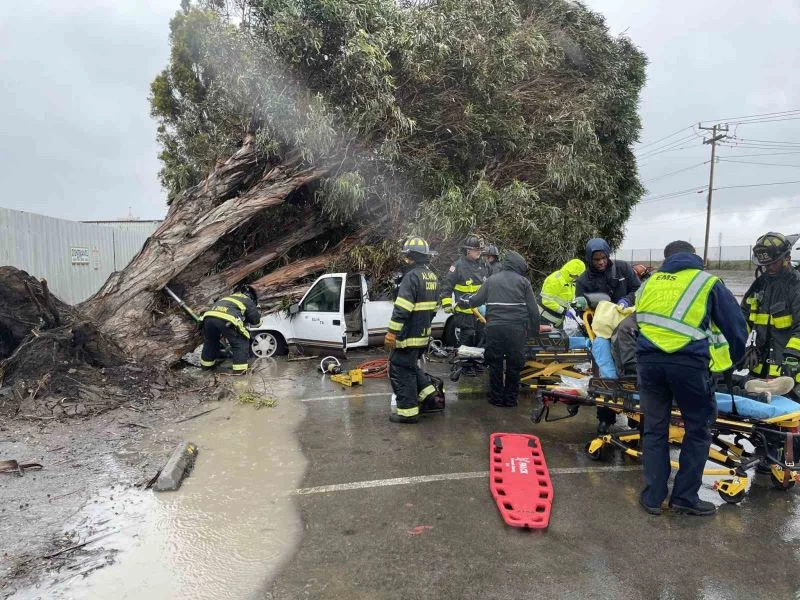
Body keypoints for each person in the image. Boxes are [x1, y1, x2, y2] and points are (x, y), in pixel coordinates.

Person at [635, 241, 747, 516]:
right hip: (688, 365)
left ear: (666, 259)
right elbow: (736, 327)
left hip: (648, 363)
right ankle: (684, 498)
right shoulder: (707, 283)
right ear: (694, 257)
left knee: (654, 430)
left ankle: (652, 498)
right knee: (697, 430)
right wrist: (733, 361)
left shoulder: (648, 283)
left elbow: (638, 321)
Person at [575, 238, 641, 431]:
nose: (601, 262)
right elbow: (580, 307)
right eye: (596, 259)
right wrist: (586, 305)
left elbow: (638, 290)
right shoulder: (584, 280)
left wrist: (627, 300)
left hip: (627, 326)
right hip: (602, 329)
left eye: (603, 258)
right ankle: (605, 417)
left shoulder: (622, 269)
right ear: (589, 259)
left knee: (631, 366)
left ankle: (636, 415)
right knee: (605, 371)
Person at [459, 251, 539, 407]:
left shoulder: (491, 280)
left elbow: (476, 300)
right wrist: (533, 332)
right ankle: (510, 399)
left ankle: (496, 398)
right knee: (514, 365)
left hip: (494, 328)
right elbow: (533, 311)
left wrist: (463, 302)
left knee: (495, 363)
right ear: (519, 266)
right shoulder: (524, 282)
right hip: (516, 330)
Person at [385, 237, 441, 424]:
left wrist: (392, 332)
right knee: (409, 366)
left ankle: (407, 413)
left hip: (408, 336)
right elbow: (434, 309)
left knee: (400, 369)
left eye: (407, 256)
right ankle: (430, 395)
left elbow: (402, 308)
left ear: (411, 256)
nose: (405, 259)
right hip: (422, 335)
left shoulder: (411, 277)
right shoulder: (432, 276)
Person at [741, 232, 800, 395]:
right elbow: (742, 319)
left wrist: (792, 358)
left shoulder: (796, 286)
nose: (769, 268)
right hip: (759, 369)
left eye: (774, 263)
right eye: (766, 264)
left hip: (789, 371)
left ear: (787, 258)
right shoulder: (759, 285)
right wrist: (738, 348)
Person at [440, 234, 490, 347]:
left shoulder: (484, 265)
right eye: (476, 249)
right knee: (467, 338)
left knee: (482, 339)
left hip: (481, 312)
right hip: (465, 313)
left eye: (480, 250)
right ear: (468, 250)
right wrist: (447, 304)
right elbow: (447, 286)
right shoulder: (457, 266)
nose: (479, 252)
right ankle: (463, 358)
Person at [200, 285, 261, 374]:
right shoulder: (247, 300)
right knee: (240, 343)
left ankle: (206, 369)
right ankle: (240, 374)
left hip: (208, 318)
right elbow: (256, 322)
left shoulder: (227, 298)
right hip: (228, 319)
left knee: (210, 343)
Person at [538, 258, 586, 328]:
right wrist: (563, 311)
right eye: (575, 276)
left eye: (578, 276)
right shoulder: (555, 280)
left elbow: (566, 299)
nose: (576, 278)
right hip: (544, 317)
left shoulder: (570, 282)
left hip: (558, 320)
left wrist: (575, 306)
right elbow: (546, 300)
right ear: (569, 272)